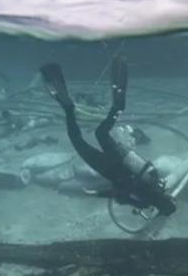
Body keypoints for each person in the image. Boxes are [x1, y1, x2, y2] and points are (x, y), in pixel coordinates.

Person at [40, 57, 177, 216]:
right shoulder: (143, 200)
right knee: (77, 141)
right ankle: (68, 108)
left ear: (167, 197)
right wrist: (95, 193)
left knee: (101, 133)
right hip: (109, 168)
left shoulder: (158, 183)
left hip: (120, 156)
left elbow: (144, 168)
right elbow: (119, 195)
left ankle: (117, 107)